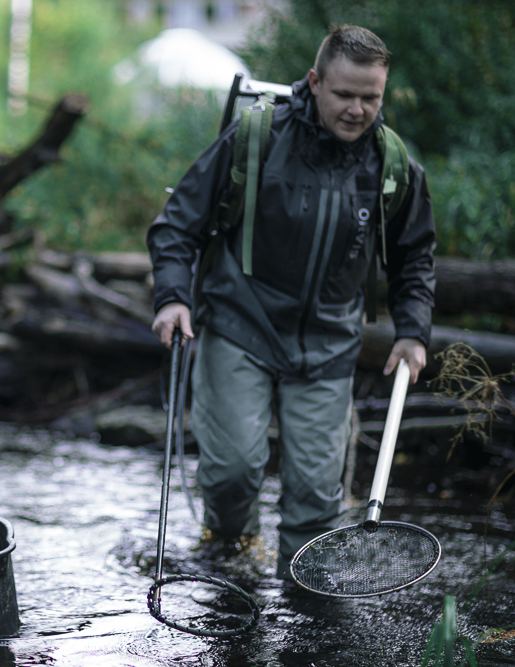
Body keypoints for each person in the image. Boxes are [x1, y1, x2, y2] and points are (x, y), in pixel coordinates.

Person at [146, 26, 436, 579]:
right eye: (344, 94)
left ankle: (306, 616)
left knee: (315, 506)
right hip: (240, 326)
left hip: (328, 348)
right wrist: (172, 298)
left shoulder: (392, 165)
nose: (357, 109)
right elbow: (177, 224)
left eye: (370, 98)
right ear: (314, 82)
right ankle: (230, 561)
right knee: (232, 472)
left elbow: (415, 257)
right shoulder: (257, 138)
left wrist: (412, 331)